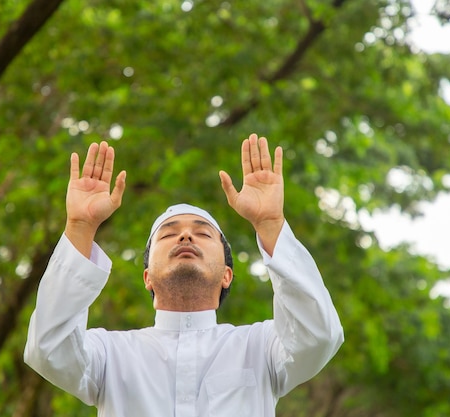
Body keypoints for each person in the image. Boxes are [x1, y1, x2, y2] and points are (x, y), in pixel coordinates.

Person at [24, 134, 344, 417]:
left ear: (227, 275)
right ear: (147, 277)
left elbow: (318, 336)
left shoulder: (261, 349)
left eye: (203, 233)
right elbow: (48, 348)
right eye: (169, 234)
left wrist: (271, 224)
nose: (185, 237)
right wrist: (80, 228)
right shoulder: (110, 355)